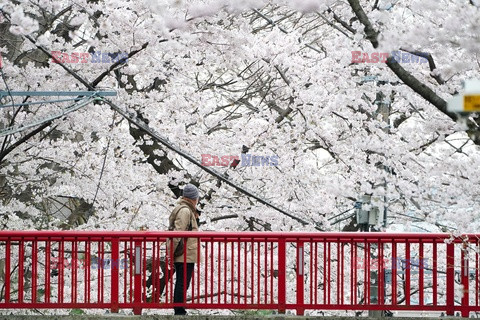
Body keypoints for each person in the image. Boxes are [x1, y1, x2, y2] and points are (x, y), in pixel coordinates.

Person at [168, 183, 200, 315]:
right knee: (183, 282)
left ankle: (179, 308)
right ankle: (179, 310)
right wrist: (171, 252)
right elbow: (178, 232)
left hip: (185, 252)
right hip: (185, 253)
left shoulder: (185, 209)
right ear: (193, 198)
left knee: (183, 282)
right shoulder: (185, 210)